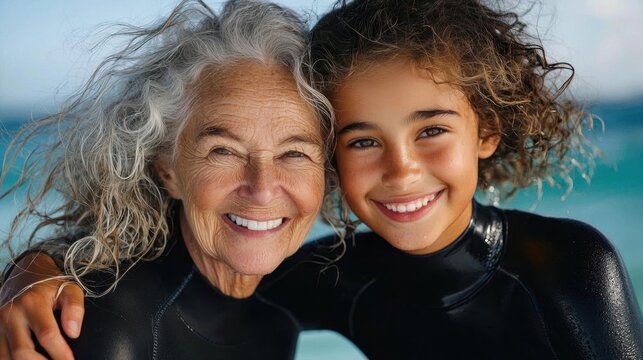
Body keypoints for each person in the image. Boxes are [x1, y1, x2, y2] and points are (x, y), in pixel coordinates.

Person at [2, 0, 643, 359]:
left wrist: (32, 263)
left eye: (431, 130)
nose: (400, 169)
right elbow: (175, 278)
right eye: (363, 140)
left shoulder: (567, 267)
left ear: (487, 132)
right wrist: (34, 268)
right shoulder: (338, 279)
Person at [0, 0, 333, 359]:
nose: (263, 188)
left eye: (295, 153)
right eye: (224, 151)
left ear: (328, 171)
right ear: (167, 170)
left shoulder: (304, 288)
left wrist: (28, 265)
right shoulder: (105, 327)